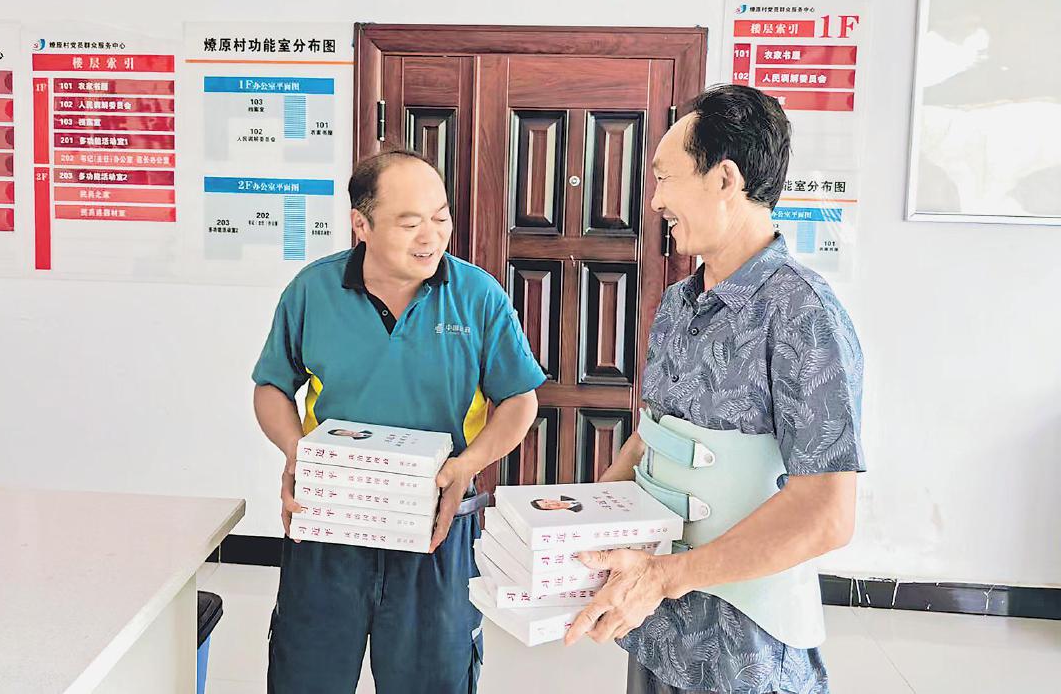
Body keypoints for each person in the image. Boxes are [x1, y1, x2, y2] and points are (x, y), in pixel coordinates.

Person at [564, 85, 865, 694]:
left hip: (747, 648)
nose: (655, 201)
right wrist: (577, 529)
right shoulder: (679, 304)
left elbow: (827, 513)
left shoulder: (804, 315)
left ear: (725, 179)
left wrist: (667, 577)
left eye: (665, 178)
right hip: (656, 630)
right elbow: (650, 440)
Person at [252, 150, 546, 693]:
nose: (431, 237)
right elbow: (271, 386)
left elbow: (519, 400)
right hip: (330, 523)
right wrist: (299, 455)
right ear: (361, 224)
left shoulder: (477, 296)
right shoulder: (312, 292)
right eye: (410, 223)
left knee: (433, 679)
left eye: (440, 217)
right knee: (306, 677)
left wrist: (467, 466)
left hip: (435, 528)